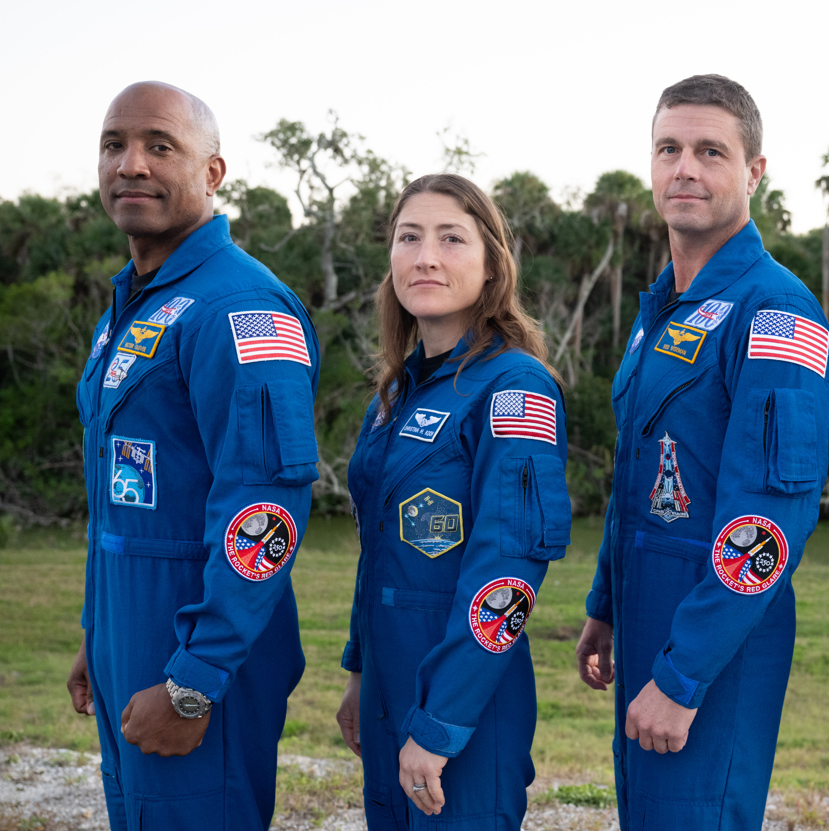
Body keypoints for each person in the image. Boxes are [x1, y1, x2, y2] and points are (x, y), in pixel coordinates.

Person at [576, 75, 829, 829]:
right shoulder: (660, 308)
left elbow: (768, 519)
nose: (684, 167)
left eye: (710, 151)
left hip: (716, 636)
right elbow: (643, 471)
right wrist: (604, 604)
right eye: (669, 149)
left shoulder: (775, 309)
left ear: (754, 171)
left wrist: (686, 673)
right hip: (646, 611)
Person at [66, 82, 320, 830]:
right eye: (115, 144)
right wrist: (95, 630)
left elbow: (264, 512)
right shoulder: (135, 303)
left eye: (159, 146)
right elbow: (119, 495)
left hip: (198, 640)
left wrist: (194, 681)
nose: (130, 164)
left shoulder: (240, 307)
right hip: (128, 631)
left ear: (213, 173)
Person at [335, 173, 571, 829]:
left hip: (466, 701)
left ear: (492, 262)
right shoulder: (393, 395)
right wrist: (360, 669)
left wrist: (441, 723)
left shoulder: (513, 387)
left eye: (450, 238)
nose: (425, 256)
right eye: (408, 237)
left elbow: (509, 570)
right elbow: (377, 548)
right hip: (387, 688)